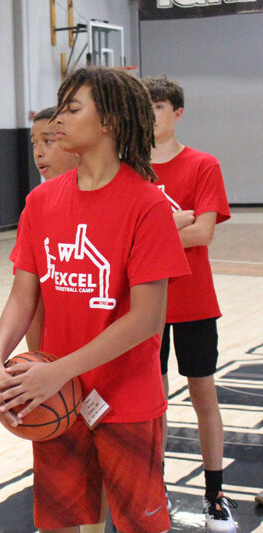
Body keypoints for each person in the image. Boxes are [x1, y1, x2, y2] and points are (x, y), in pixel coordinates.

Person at [0, 66, 190, 533]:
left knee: (141, 526)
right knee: (59, 523)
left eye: (72, 109)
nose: (58, 119)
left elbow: (146, 319)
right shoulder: (41, 202)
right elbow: (22, 297)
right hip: (55, 393)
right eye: (60, 108)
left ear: (109, 121)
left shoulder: (147, 204)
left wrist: (59, 371)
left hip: (125, 397)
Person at [143, 75, 234, 532]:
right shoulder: (130, 167)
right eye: (144, 107)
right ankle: (153, 491)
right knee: (151, 402)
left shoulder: (203, 164)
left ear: (177, 113)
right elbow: (125, 235)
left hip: (195, 300)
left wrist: (154, 230)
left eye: (158, 107)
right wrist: (173, 221)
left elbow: (203, 233)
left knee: (203, 396)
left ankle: (215, 496)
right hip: (145, 304)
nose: (151, 115)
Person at [23, 107, 80, 351]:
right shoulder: (36, 204)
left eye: (48, 141)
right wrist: (38, 357)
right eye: (34, 143)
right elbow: (30, 300)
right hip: (56, 357)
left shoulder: (122, 199)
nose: (38, 152)